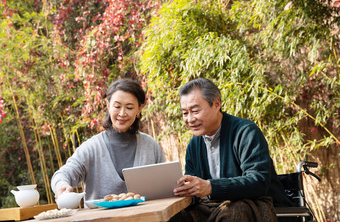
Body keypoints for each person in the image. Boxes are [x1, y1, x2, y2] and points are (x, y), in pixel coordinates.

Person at [171, 78, 294, 222]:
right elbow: (195, 192)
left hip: (255, 204)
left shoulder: (245, 131)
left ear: (217, 104)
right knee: (175, 216)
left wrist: (210, 187)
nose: (190, 119)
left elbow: (259, 181)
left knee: (232, 213)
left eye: (195, 111)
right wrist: (185, 191)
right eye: (185, 113)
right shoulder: (194, 145)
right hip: (212, 206)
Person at [51, 78, 165, 202]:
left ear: (139, 109)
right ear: (108, 106)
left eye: (129, 108)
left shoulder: (150, 146)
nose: (122, 113)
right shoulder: (92, 148)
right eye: (117, 106)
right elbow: (63, 174)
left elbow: (164, 185)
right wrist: (61, 186)